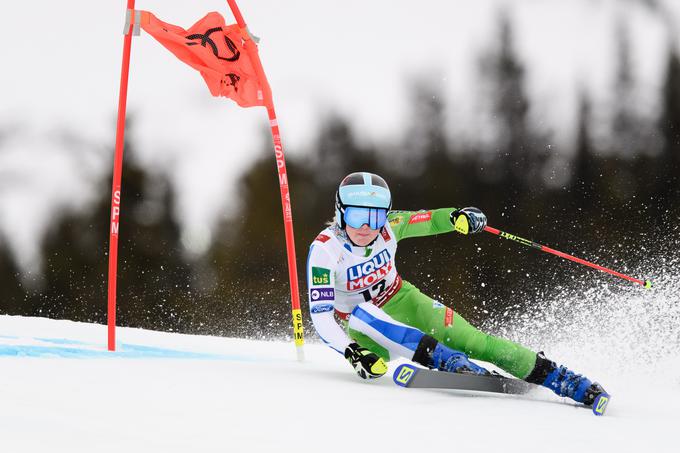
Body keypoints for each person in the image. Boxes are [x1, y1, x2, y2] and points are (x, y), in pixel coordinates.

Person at [306, 171, 608, 408]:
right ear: (341, 212)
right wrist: (351, 351)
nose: (367, 227)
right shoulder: (325, 251)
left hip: (403, 299)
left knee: (474, 341)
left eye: (376, 216)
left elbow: (430, 219)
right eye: (358, 215)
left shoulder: (389, 227)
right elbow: (321, 315)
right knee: (364, 315)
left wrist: (458, 216)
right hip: (365, 332)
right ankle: (447, 360)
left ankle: (565, 380)